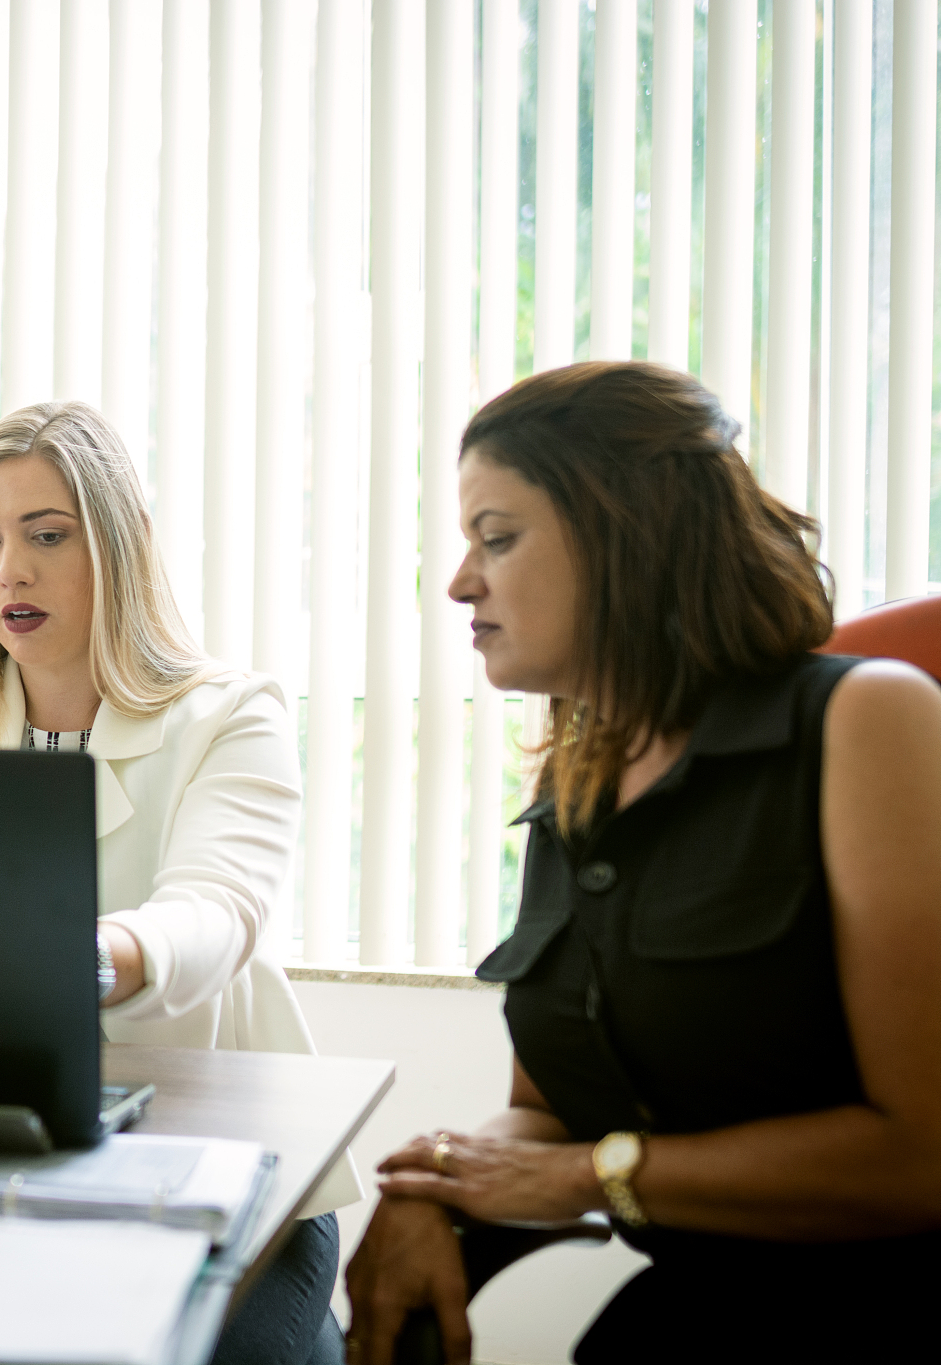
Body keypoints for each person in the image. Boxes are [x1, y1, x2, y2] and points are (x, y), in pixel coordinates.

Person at [343, 363, 941, 1365]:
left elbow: (921, 1154)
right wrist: (430, 1187)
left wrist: (591, 1175)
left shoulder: (866, 718)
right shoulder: (577, 785)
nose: (459, 582)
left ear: (625, 535)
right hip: (694, 1308)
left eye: (497, 537)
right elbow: (544, 1117)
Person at [0, 402, 358, 1365]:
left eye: (48, 535)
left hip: (225, 1170)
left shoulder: (229, 715)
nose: (10, 570)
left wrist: (78, 955)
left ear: (121, 541)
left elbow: (214, 910)